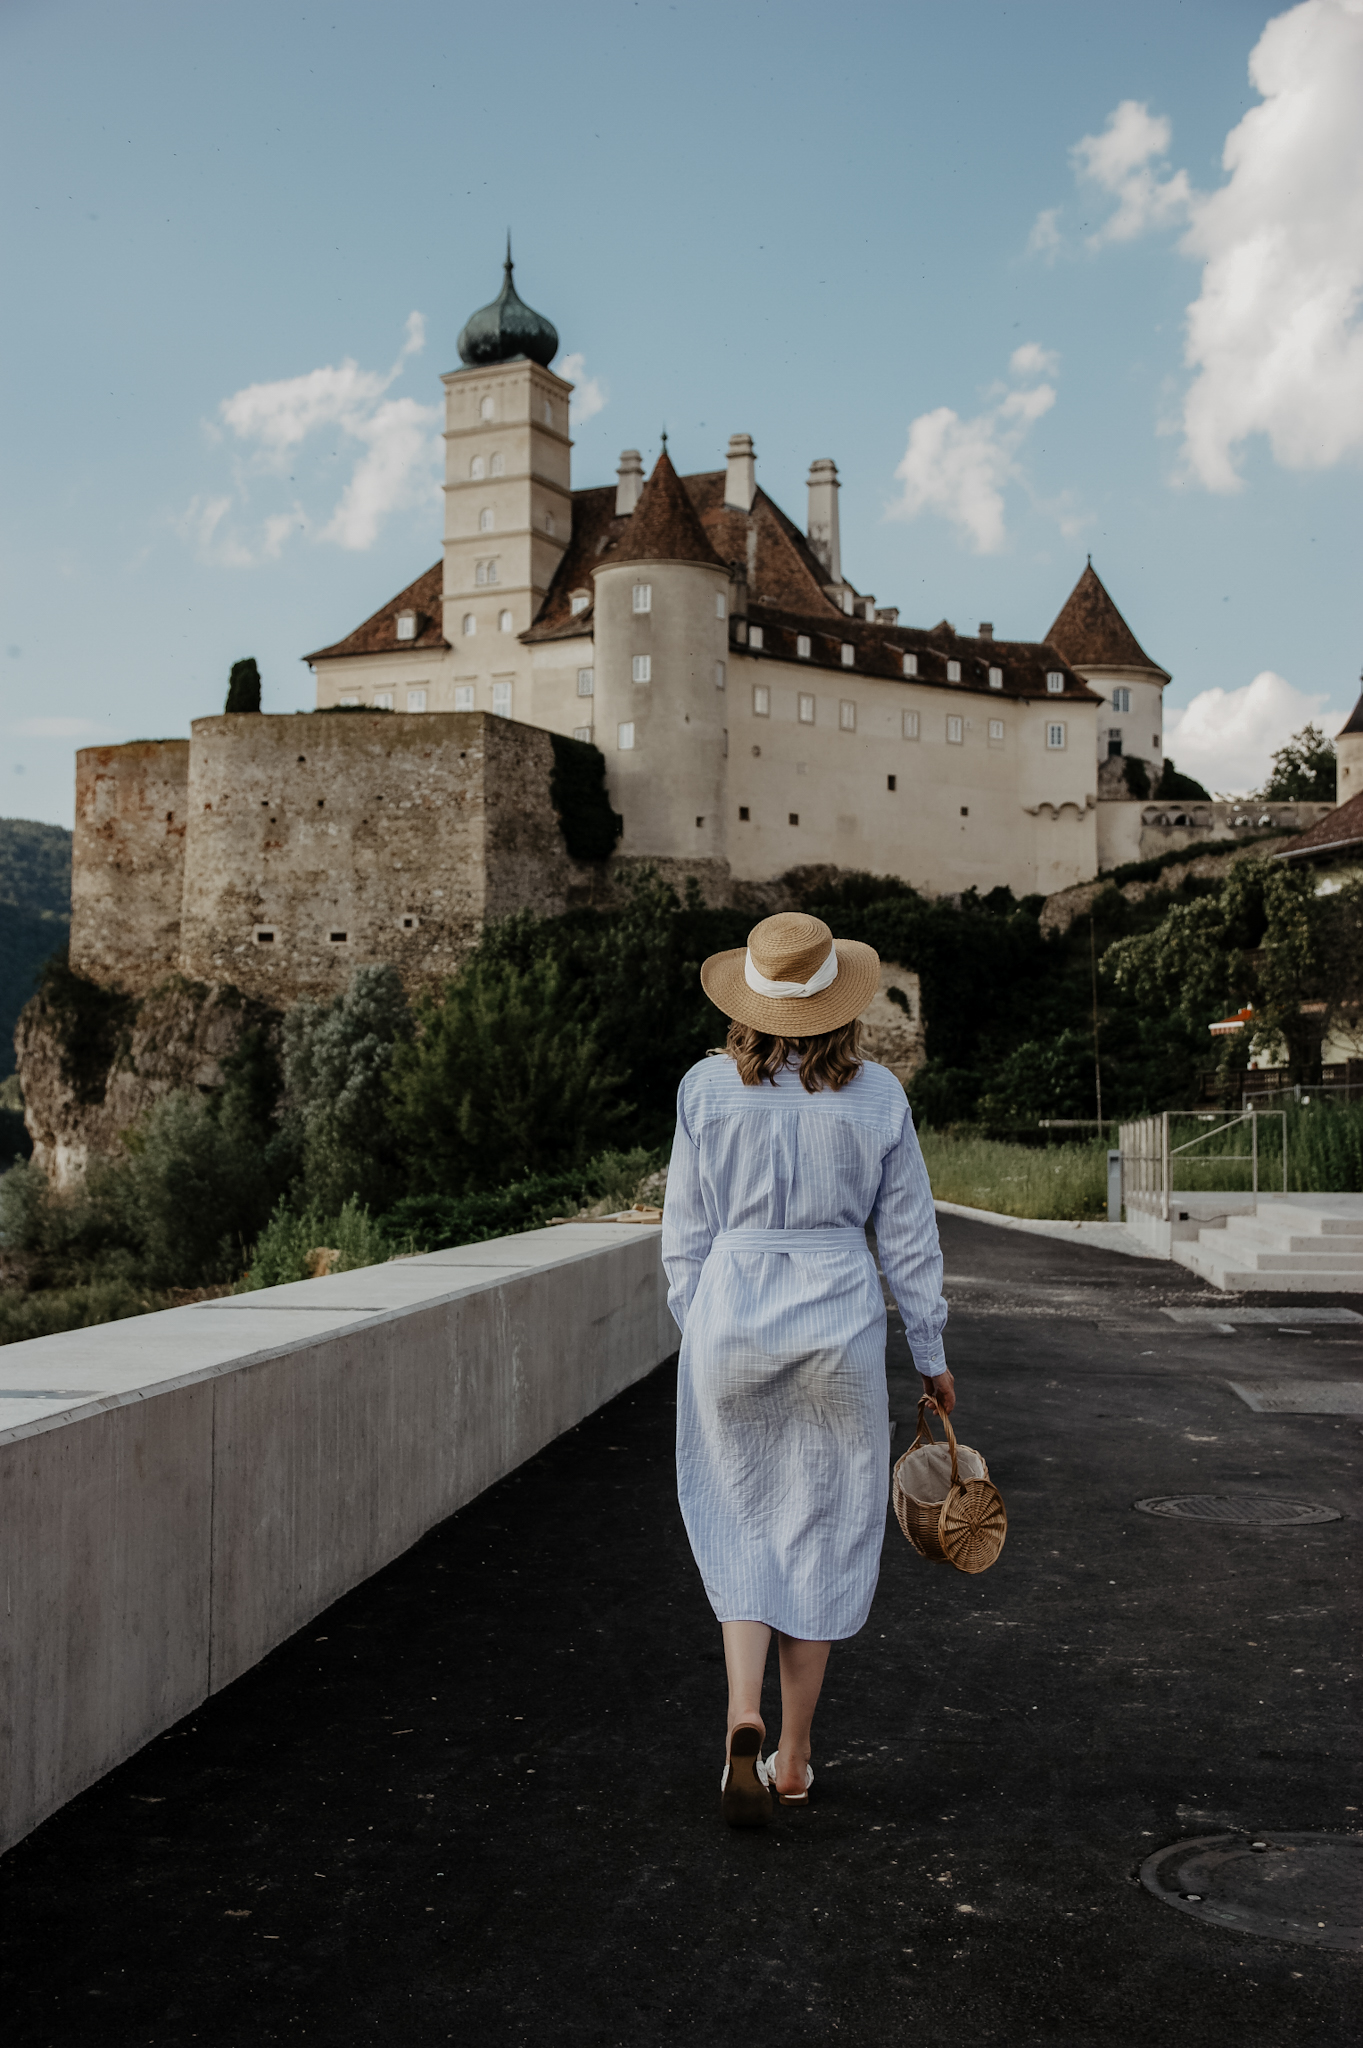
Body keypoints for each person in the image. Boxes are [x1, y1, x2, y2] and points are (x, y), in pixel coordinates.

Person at [662, 912, 953, 1827]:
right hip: (837, 1327)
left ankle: (738, 1711)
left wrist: (700, 1323)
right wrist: (932, 1358)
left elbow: (684, 1239)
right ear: (841, 1003)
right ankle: (792, 1757)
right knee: (823, 1533)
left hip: (731, 1322)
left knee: (739, 1515)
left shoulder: (705, 1090)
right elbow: (909, 1241)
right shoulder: (877, 1099)